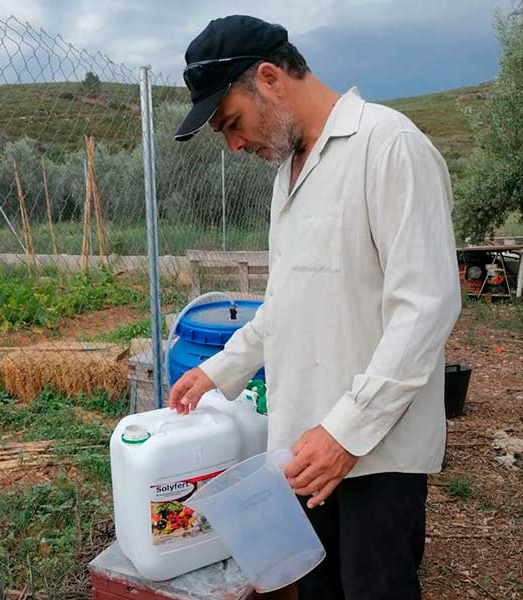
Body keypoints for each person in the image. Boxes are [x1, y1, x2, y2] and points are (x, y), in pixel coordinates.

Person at [168, 15, 461, 600]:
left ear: (270, 79)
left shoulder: (389, 146)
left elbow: (424, 309)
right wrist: (216, 370)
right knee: (320, 589)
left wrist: (345, 434)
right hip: (305, 449)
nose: (234, 145)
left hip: (376, 455)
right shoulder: (289, 176)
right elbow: (282, 307)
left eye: (231, 122)